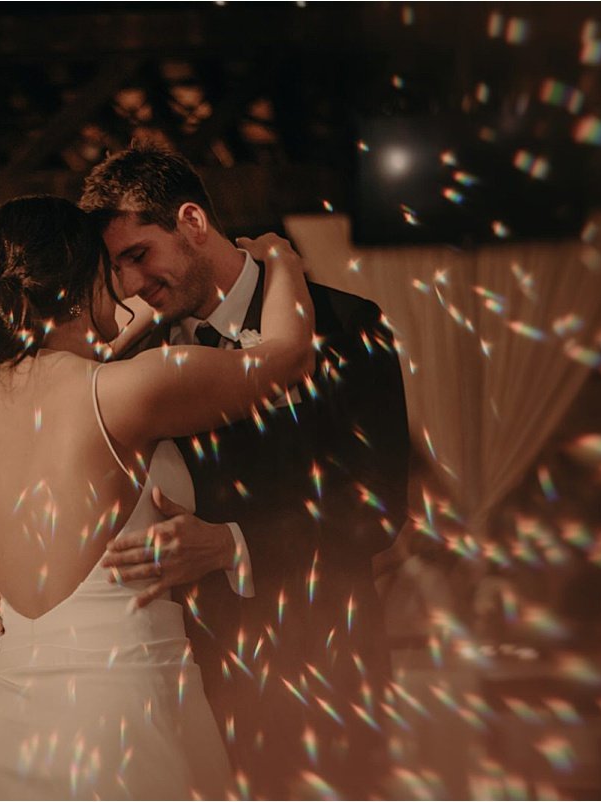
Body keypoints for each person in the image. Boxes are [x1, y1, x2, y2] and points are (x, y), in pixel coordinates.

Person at [75, 143, 410, 798]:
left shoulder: (345, 325)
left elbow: (375, 507)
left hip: (324, 677)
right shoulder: (134, 366)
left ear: (193, 222)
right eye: (117, 270)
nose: (131, 286)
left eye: (138, 255)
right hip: (190, 686)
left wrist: (232, 544)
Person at [0, 194, 314, 799]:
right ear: (86, 276)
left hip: (13, 709)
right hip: (119, 713)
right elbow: (288, 358)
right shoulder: (126, 392)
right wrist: (284, 263)